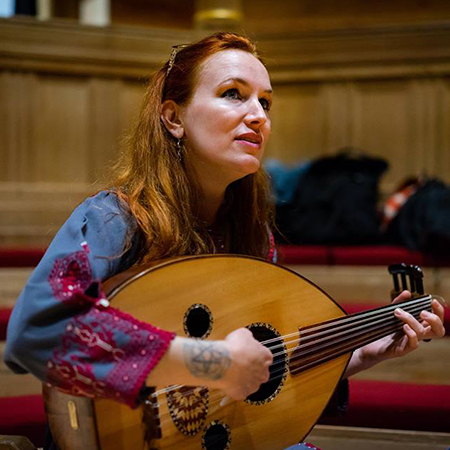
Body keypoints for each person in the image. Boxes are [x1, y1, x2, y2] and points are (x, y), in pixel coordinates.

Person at [4, 32, 446, 450]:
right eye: (234, 93)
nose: (258, 114)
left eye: (266, 102)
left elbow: (263, 371)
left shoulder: (254, 237)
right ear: (173, 118)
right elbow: (35, 330)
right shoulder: (114, 219)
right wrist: (213, 361)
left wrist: (365, 350)